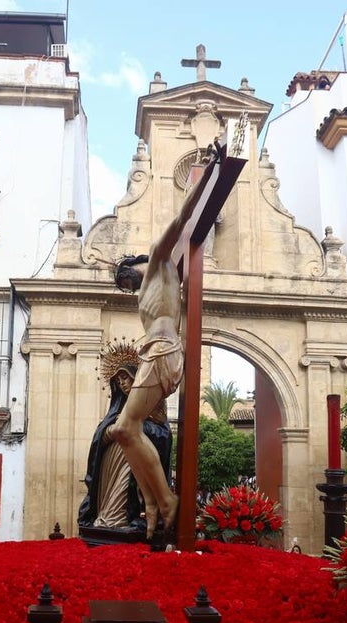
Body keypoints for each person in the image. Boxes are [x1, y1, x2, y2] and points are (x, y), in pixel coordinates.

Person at [108, 178, 210, 540]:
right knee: (121, 431)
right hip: (158, 353)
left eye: (125, 276)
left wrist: (208, 171)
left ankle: (165, 500)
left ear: (140, 263)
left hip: (163, 352)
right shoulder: (149, 288)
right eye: (122, 284)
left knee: (123, 428)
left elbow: (184, 217)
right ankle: (151, 502)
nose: (125, 284)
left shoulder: (159, 259)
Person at [77, 341, 172, 531]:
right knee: (108, 499)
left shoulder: (153, 403)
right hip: (110, 463)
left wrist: (135, 426)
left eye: (125, 378)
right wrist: (110, 431)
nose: (122, 384)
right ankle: (106, 516)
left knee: (120, 501)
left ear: (135, 377)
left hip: (132, 461)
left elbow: (163, 434)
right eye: (118, 381)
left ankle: (117, 519)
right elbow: (101, 435)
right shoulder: (117, 408)